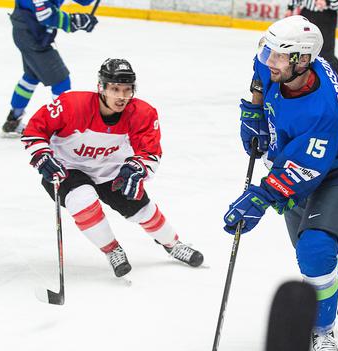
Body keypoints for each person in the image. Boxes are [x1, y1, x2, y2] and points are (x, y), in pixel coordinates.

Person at [224, 16, 338, 351]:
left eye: (279, 56)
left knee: (314, 249)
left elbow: (306, 170)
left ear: (301, 60)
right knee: (314, 242)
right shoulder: (281, 64)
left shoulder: (321, 108)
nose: (269, 61)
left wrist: (262, 196)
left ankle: (322, 331)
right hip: (296, 156)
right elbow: (258, 73)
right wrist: (253, 109)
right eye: (270, 52)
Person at [22, 58, 204, 277]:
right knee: (82, 198)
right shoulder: (72, 104)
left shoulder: (142, 114)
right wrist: (42, 156)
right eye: (115, 89)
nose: (121, 97)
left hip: (110, 169)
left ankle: (172, 244)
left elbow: (150, 151)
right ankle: (112, 250)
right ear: (102, 88)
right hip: (67, 167)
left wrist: (137, 168)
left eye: (127, 90)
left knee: (141, 210)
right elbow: (35, 130)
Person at [2, 0, 99, 137]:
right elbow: (46, 16)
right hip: (32, 35)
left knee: (31, 77)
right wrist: (77, 21)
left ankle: (13, 121)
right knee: (61, 81)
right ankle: (63, 129)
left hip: (32, 31)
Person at [285, 0, 338, 93]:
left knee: (326, 56)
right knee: (299, 50)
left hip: (326, 16)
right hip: (307, 14)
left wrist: (327, 2)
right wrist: (291, 7)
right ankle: (289, 84)